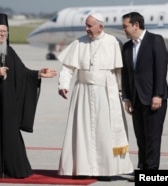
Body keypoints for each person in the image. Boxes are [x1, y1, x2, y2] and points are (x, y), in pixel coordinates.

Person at [0, 13, 57, 178]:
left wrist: (38, 74)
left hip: (9, 103)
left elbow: (22, 72)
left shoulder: (8, 49)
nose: (1, 35)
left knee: (11, 135)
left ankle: (13, 168)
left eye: (5, 32)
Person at [57, 13, 133, 179]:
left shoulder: (113, 42)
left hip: (106, 94)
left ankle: (105, 170)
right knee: (82, 132)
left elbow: (120, 72)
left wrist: (124, 94)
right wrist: (63, 84)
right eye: (86, 25)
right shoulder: (79, 42)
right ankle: (82, 169)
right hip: (82, 93)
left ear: (101, 26)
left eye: (90, 26)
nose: (87, 29)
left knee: (105, 133)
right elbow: (67, 69)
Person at [121, 12, 168, 171]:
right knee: (141, 138)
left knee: (153, 138)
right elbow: (126, 73)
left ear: (136, 25)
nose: (124, 30)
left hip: (153, 98)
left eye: (125, 26)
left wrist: (158, 95)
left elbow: (161, 70)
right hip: (136, 99)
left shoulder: (155, 40)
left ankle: (151, 171)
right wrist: (126, 97)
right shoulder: (127, 46)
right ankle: (143, 168)